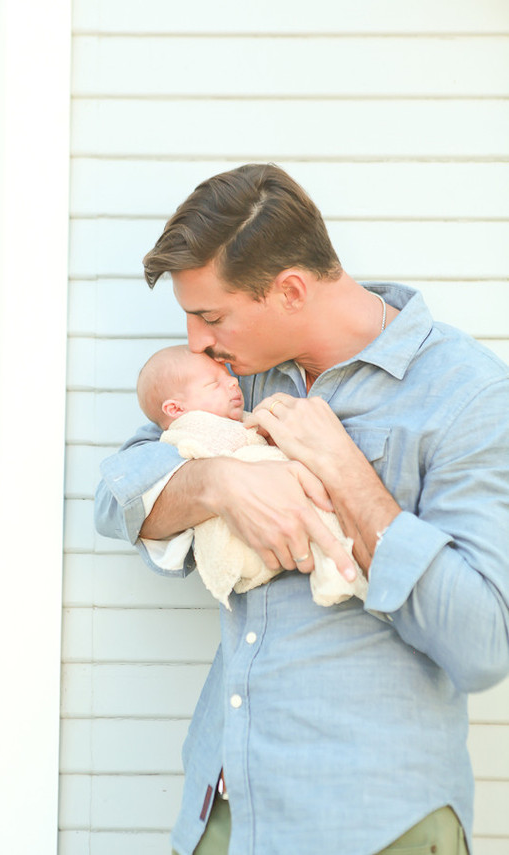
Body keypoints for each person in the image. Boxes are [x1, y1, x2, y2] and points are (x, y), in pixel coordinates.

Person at [95, 163, 509, 855]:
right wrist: (221, 482)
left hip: (378, 824)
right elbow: (116, 495)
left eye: (210, 315)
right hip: (223, 816)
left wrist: (348, 473)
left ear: (289, 290)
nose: (196, 342)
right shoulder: (235, 377)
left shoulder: (468, 397)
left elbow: (483, 644)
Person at [136, 343, 366, 609]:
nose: (234, 382)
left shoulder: (228, 412)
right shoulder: (188, 430)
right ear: (175, 410)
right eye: (214, 384)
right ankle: (340, 572)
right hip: (244, 535)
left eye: (229, 376)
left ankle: (338, 571)